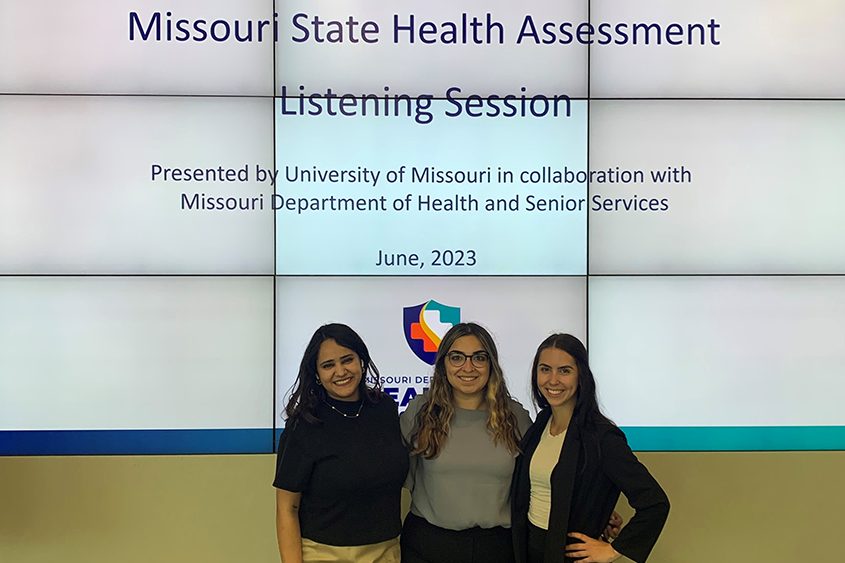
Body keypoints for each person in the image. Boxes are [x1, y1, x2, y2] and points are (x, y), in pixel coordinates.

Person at [511, 334, 670, 563]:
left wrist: (613, 549)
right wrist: (598, 511)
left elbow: (655, 503)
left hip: (567, 555)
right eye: (545, 369)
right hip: (530, 548)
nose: (553, 380)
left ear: (581, 376)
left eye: (564, 371)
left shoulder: (601, 436)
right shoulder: (540, 425)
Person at [273, 323, 408, 563]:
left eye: (347, 360)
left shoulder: (385, 409)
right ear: (316, 373)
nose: (340, 371)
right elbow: (287, 509)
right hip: (324, 554)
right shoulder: (304, 423)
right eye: (328, 365)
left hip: (386, 552)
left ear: (361, 361)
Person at [400, 322, 533, 563]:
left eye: (478, 358)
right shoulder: (421, 412)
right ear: (443, 364)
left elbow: (544, 479)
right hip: (428, 545)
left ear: (491, 364)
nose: (468, 367)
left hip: (497, 548)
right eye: (457, 357)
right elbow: (381, 469)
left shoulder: (515, 418)